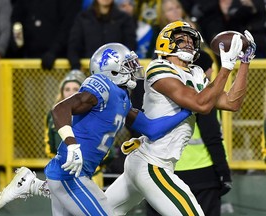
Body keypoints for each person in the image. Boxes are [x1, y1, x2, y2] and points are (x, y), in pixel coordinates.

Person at [0, 42, 193, 214]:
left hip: (74, 174)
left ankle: (33, 184)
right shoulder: (102, 86)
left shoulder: (122, 99)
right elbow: (60, 109)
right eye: (127, 65)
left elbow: (151, 129)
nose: (133, 69)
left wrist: (188, 110)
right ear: (111, 70)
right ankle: (34, 184)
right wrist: (71, 144)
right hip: (71, 175)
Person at [104, 20, 256, 215]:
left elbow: (232, 103)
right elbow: (200, 104)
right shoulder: (159, 68)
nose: (189, 43)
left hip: (148, 161)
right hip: (152, 164)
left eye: (192, 40)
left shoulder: (196, 73)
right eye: (181, 39)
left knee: (100, 212)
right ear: (164, 42)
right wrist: (226, 67)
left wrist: (244, 62)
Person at [7, 0, 83, 70]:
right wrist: (17, 44)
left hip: (58, 62)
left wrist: (53, 52)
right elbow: (16, 20)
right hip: (28, 60)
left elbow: (68, 26)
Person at [67, 0, 137, 70]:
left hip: (118, 71)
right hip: (88, 71)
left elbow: (130, 46)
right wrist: (76, 67)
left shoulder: (124, 19)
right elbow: (73, 46)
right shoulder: (83, 18)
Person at [45, 70, 86, 158]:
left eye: (75, 89)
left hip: (89, 169)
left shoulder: (92, 114)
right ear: (61, 92)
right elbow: (50, 147)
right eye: (67, 89)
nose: (71, 93)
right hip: (62, 168)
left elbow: (108, 151)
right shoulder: (53, 115)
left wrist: (91, 167)